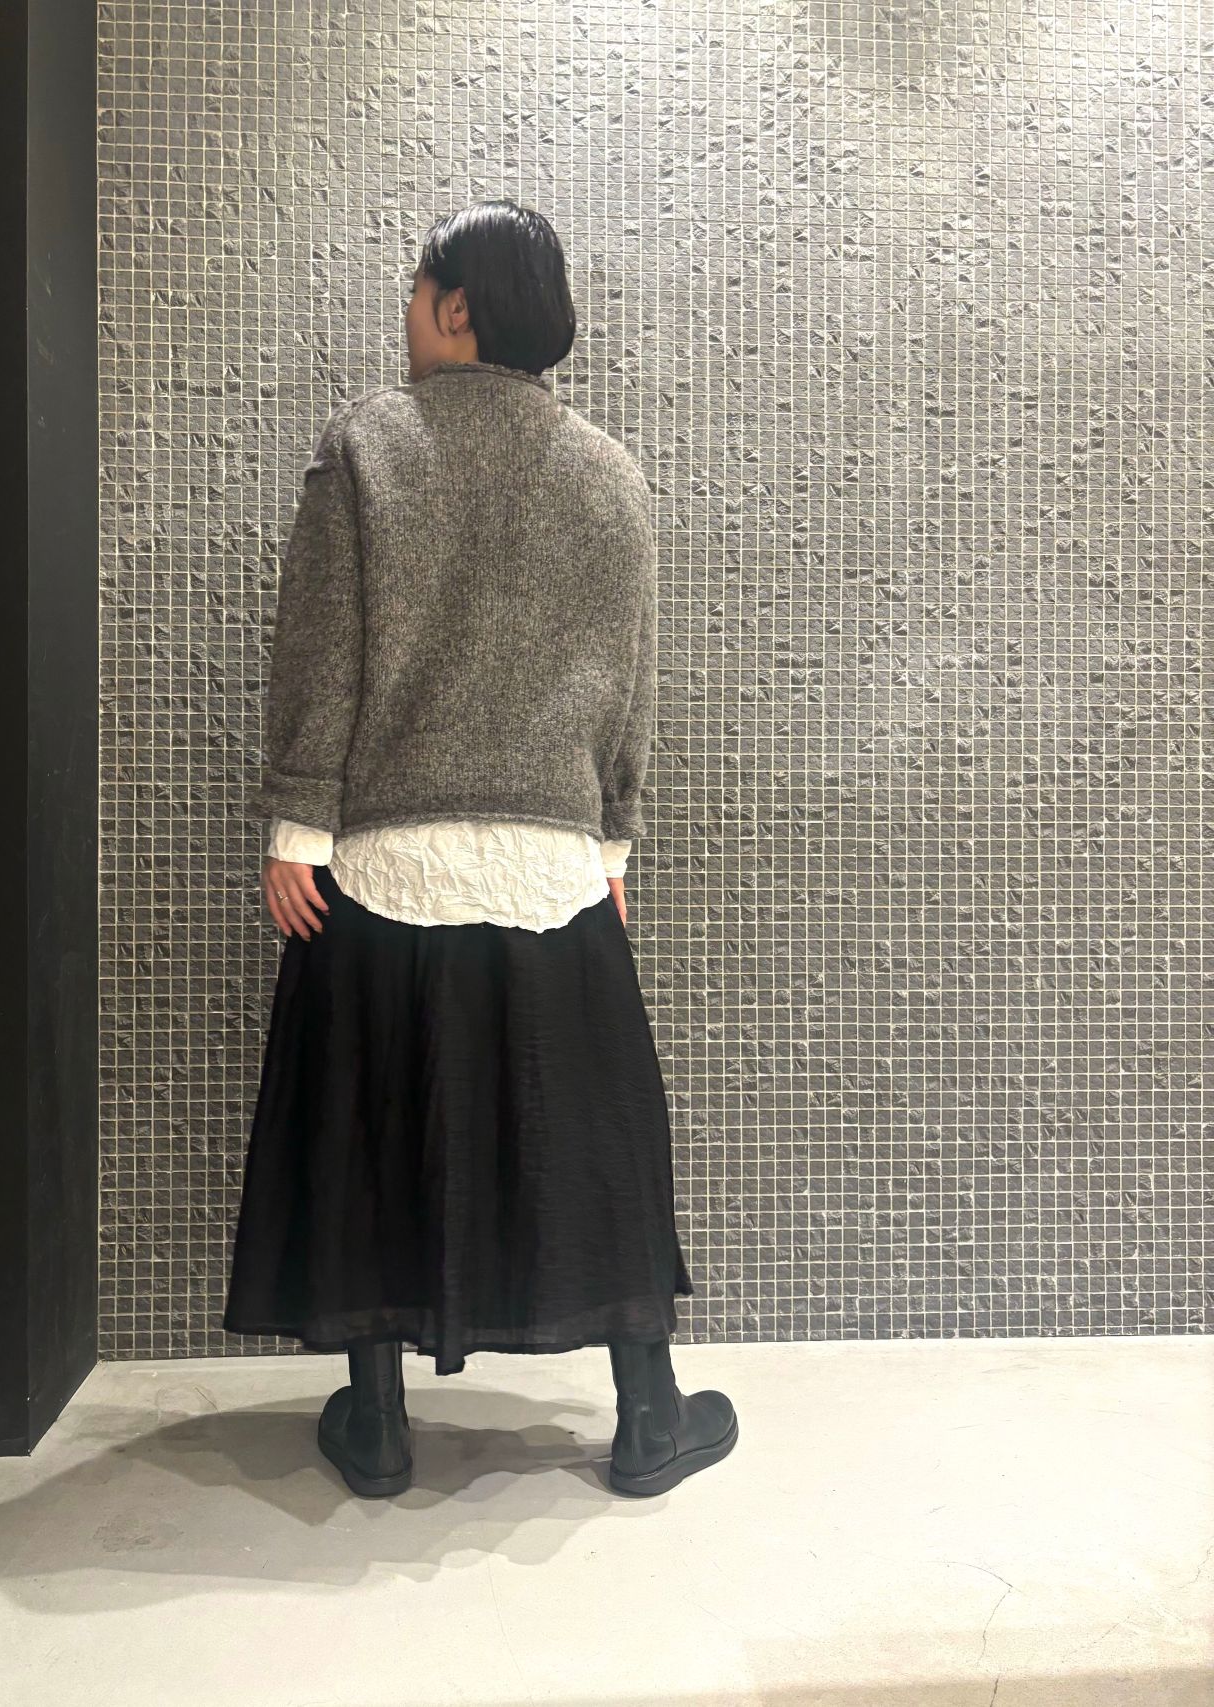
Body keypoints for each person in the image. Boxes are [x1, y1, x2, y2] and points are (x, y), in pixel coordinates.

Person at [222, 199, 738, 1499]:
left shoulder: (366, 444)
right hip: (552, 864)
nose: (406, 308)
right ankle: (649, 1415)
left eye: (417, 286)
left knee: (366, 1126)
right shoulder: (609, 473)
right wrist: (614, 844)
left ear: (456, 307)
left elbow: (320, 652)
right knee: (599, 1141)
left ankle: (377, 1421)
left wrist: (298, 823)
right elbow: (630, 687)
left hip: (384, 860)